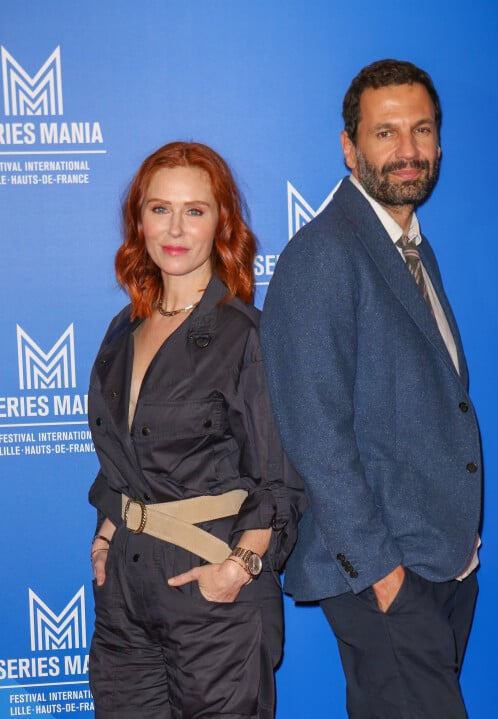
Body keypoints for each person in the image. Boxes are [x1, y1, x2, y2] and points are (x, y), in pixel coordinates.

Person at [260, 59, 482, 719]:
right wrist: (385, 577)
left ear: (440, 141)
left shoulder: (409, 243)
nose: (408, 150)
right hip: (382, 572)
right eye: (386, 133)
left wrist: (457, 542)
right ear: (350, 147)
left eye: (421, 130)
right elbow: (315, 434)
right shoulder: (326, 252)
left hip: (438, 562)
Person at [87, 141, 304, 719]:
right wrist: (108, 532)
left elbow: (278, 480)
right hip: (125, 594)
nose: (175, 228)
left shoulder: (247, 336)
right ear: (139, 220)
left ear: (221, 223)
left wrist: (239, 569)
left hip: (214, 592)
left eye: (195, 210)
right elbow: (120, 454)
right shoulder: (121, 331)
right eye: (159, 209)